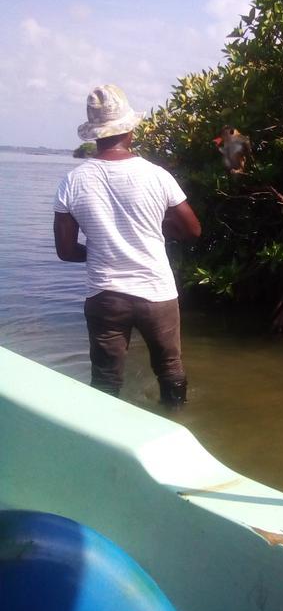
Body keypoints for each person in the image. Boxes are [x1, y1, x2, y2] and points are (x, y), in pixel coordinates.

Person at [53, 84, 201, 407]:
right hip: (157, 293)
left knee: (105, 380)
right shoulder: (157, 176)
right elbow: (192, 230)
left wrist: (103, 250)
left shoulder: (72, 181)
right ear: (129, 130)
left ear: (95, 134)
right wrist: (157, 229)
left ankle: (102, 442)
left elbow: (65, 250)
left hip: (105, 296)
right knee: (171, 370)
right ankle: (175, 422)